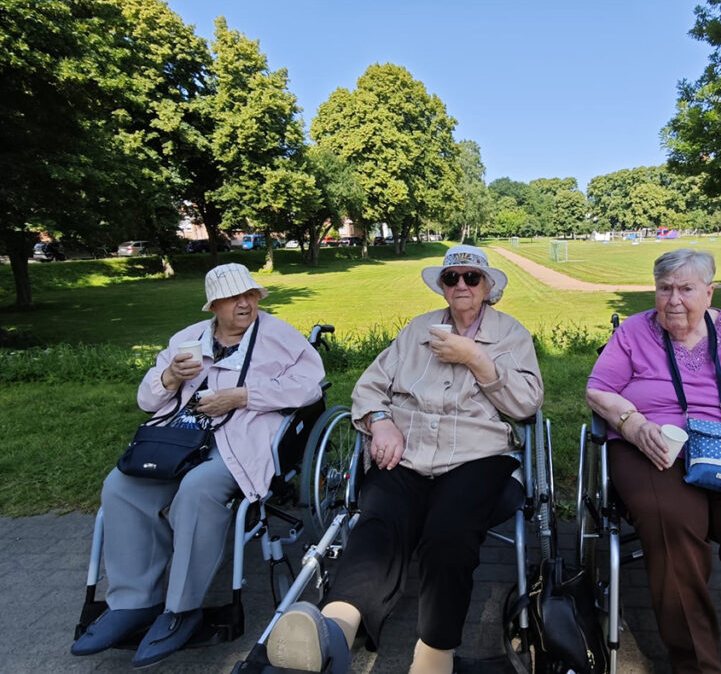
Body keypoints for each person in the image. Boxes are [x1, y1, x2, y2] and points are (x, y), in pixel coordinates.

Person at [265, 244, 544, 674]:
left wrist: (476, 359)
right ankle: (332, 630)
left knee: (449, 533)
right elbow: (370, 386)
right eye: (452, 278)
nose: (462, 285)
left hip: (477, 455)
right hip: (406, 450)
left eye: (472, 277)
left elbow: (526, 406)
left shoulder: (511, 334)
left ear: (488, 287)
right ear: (443, 287)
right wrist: (380, 422)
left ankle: (435, 656)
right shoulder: (418, 330)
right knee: (378, 525)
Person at [70, 263, 326, 668]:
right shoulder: (185, 340)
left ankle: (181, 608)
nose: (245, 303)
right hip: (179, 438)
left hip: (241, 439)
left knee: (197, 489)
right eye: (233, 298)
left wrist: (243, 396)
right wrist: (170, 377)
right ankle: (134, 602)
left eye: (251, 295)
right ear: (214, 305)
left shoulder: (280, 337)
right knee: (121, 486)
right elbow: (147, 400)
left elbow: (311, 386)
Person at [586, 249, 721, 674]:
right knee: (669, 519)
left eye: (685, 289)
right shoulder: (633, 333)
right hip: (658, 449)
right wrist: (633, 425)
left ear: (709, 292)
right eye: (664, 288)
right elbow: (598, 390)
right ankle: (696, 664)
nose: (673, 300)